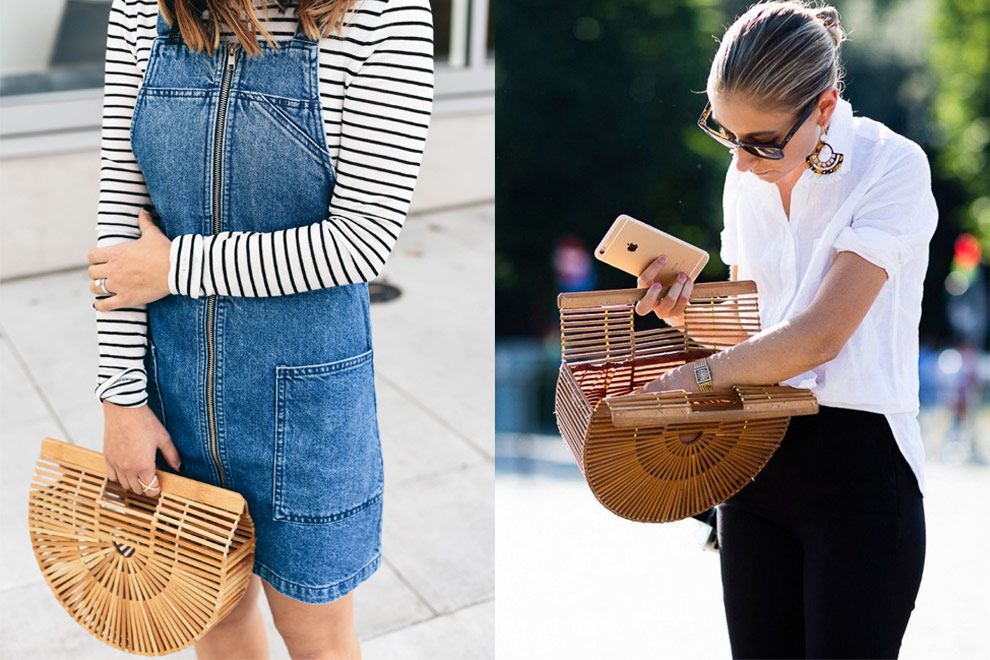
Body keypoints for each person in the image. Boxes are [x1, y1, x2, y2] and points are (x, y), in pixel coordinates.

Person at [85, 0, 434, 657]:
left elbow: (362, 242)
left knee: (316, 637)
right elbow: (119, 226)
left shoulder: (388, 11)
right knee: (213, 617)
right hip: (174, 394)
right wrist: (121, 398)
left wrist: (177, 267)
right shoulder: (140, 5)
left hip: (306, 409)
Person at [634, 1, 935, 657]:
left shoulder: (891, 167)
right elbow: (753, 331)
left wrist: (696, 377)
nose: (742, 162)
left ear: (825, 107)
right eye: (726, 135)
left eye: (763, 142)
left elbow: (820, 333)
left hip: (861, 475)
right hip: (755, 463)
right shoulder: (747, 177)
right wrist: (686, 312)